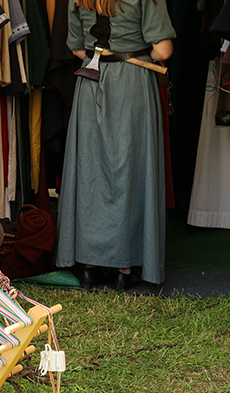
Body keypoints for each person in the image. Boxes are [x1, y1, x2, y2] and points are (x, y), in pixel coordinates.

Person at [55, 0, 175, 290]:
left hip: (91, 80)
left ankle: (89, 266)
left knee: (90, 171)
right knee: (128, 170)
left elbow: (76, 48)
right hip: (131, 82)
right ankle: (124, 268)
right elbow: (162, 50)